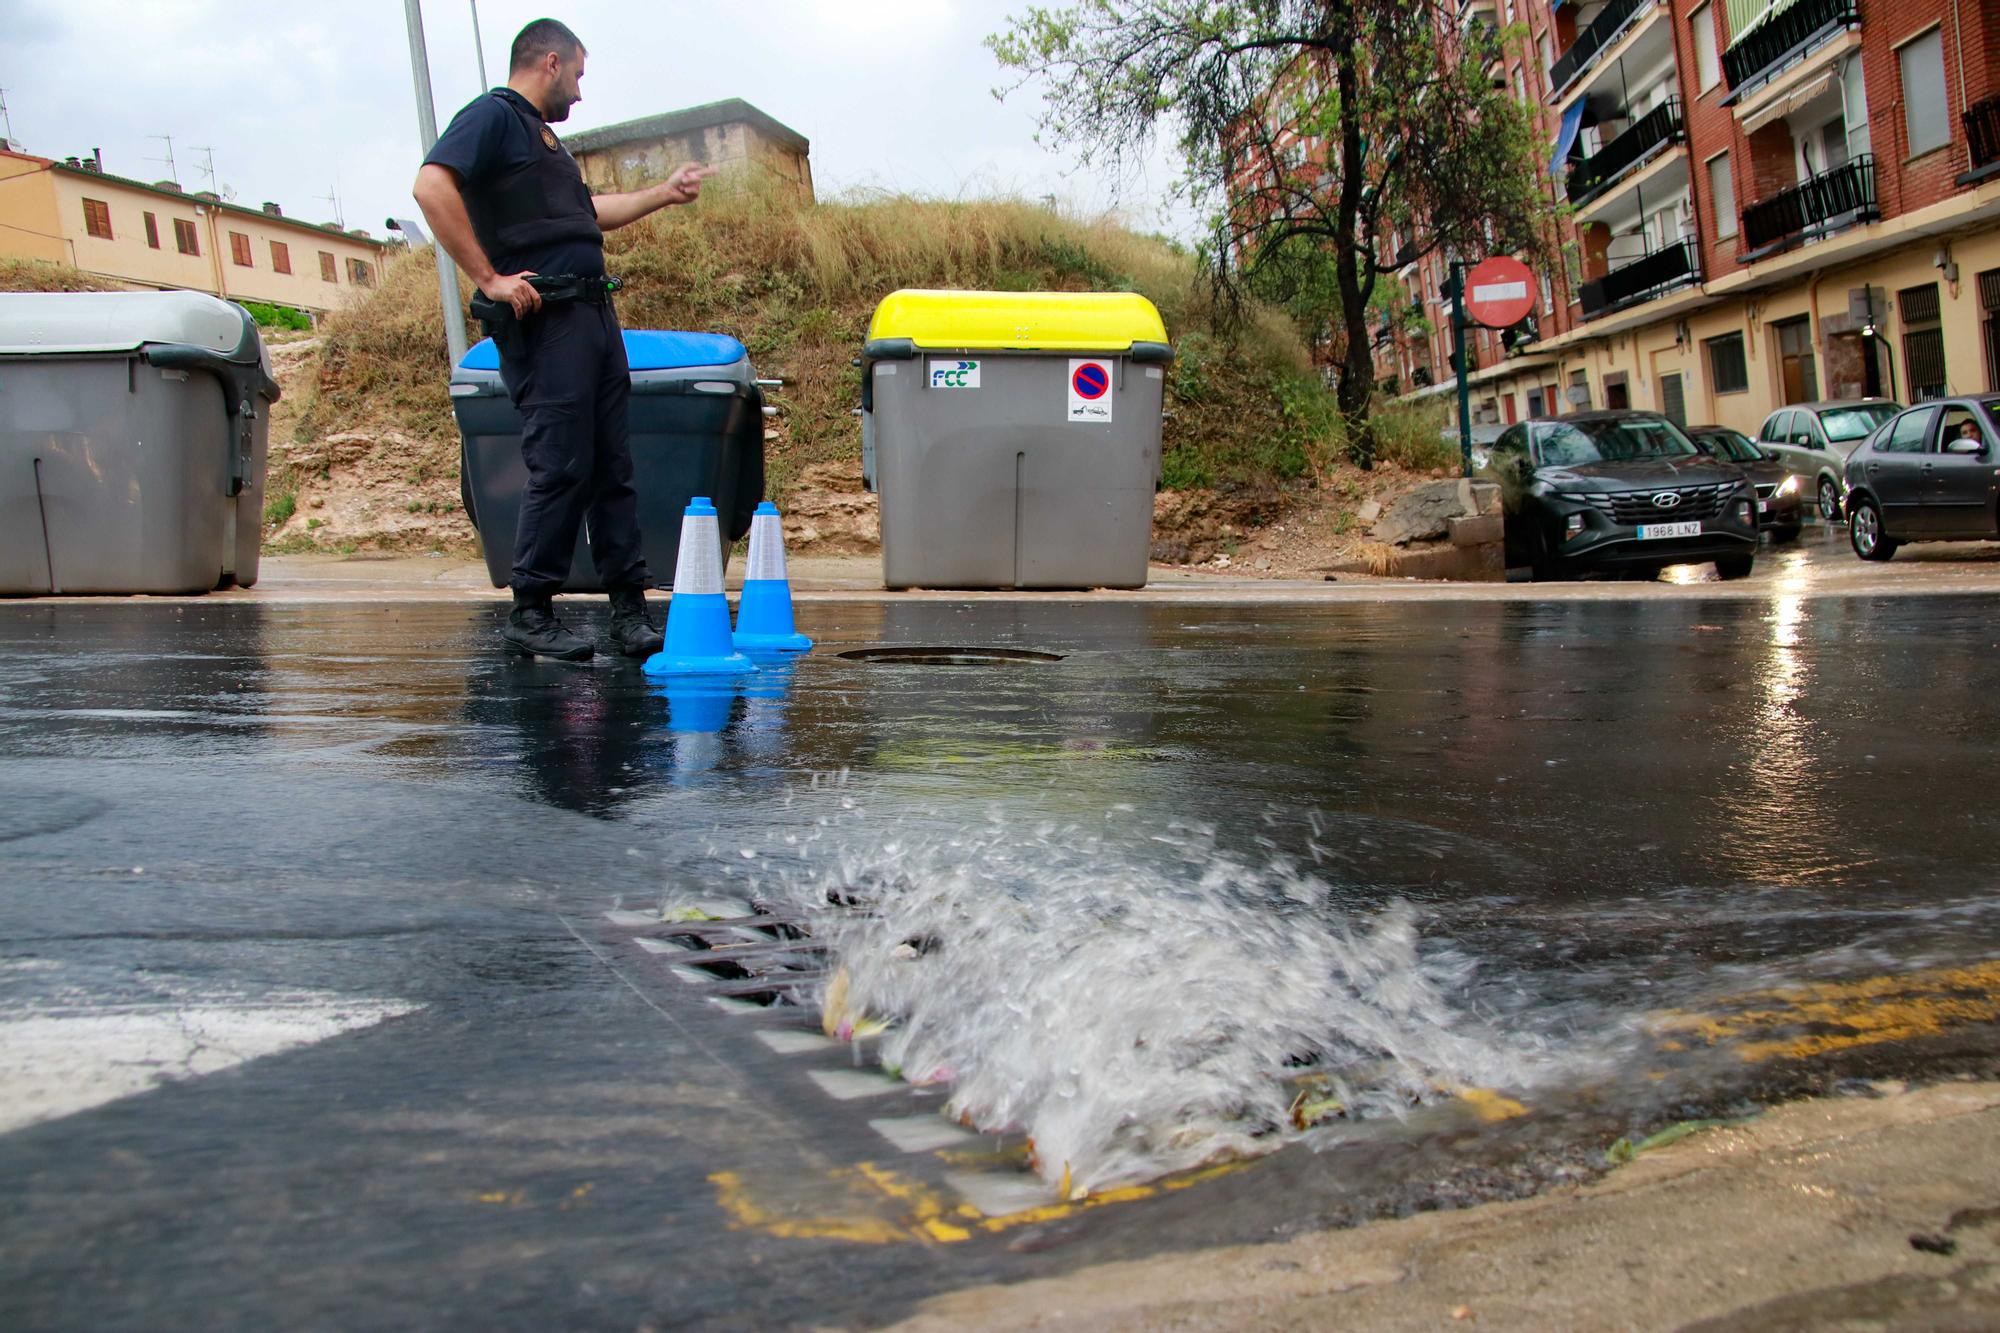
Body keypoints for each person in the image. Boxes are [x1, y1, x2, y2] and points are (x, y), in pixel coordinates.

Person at [413, 18, 716, 661]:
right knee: (562, 462)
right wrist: (488, 277)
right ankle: (531, 609)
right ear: (550, 62)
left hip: (592, 316)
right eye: (578, 75)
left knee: (612, 464)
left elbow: (589, 213)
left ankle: (627, 611)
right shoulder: (495, 117)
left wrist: (664, 194)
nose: (580, 92)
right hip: (545, 320)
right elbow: (430, 184)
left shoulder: (545, 143)